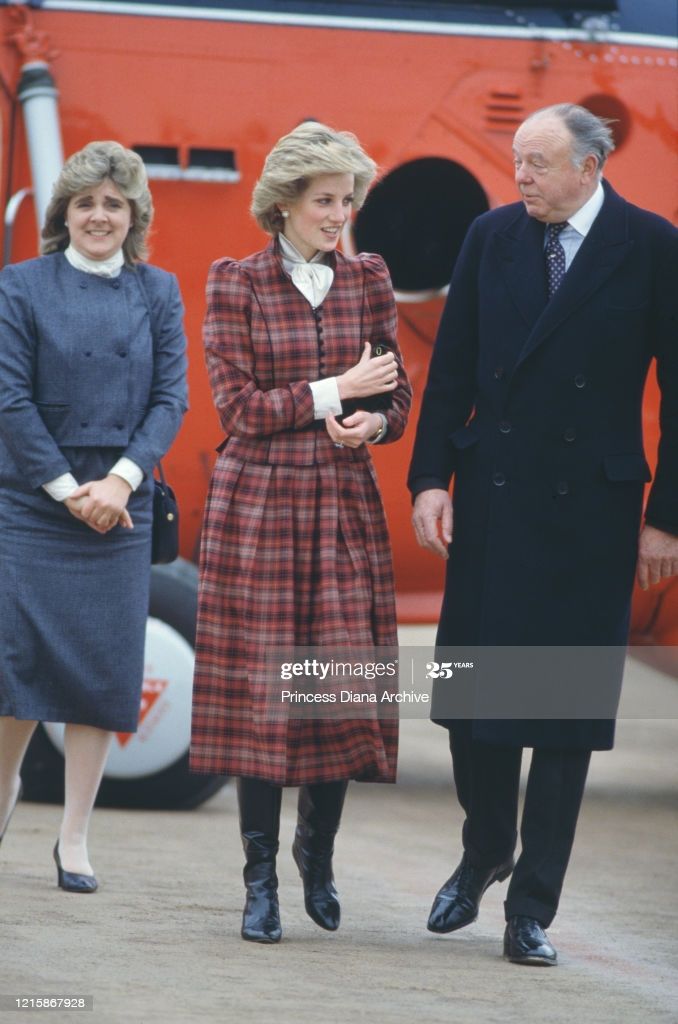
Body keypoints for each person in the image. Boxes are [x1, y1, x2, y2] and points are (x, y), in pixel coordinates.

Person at [408, 103, 678, 965]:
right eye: (518, 162)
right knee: (467, 707)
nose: (519, 177)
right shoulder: (491, 237)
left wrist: (666, 520)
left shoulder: (653, 245)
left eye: (536, 163)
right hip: (492, 495)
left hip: (591, 515)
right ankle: (485, 848)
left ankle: (531, 910)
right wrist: (426, 482)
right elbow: (450, 367)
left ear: (590, 168)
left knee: (562, 723)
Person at [190, 121, 411, 943]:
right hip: (260, 510)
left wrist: (373, 424)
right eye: (325, 200)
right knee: (263, 700)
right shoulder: (234, 281)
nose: (339, 213)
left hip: (341, 501)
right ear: (282, 204)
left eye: (347, 199)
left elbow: (395, 392)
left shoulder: (367, 277)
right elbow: (240, 410)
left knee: (337, 688)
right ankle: (259, 882)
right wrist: (334, 388)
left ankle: (316, 854)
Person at [0, 141, 188, 892]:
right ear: (64, 214)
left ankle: (74, 836)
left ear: (134, 213)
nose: (99, 215)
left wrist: (116, 483)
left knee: (102, 677)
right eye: (85, 203)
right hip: (32, 502)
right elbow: (8, 398)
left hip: (122, 502)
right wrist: (66, 490)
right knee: (14, 671)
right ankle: (4, 798)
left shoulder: (160, 291)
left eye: (114, 203)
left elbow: (170, 399)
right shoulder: (20, 286)